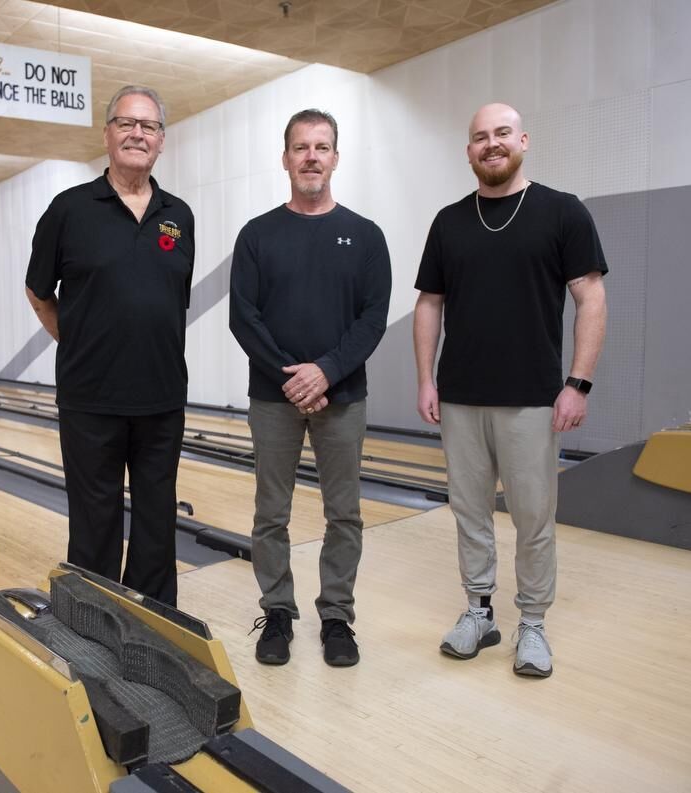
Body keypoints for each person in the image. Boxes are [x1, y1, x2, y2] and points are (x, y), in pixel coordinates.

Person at [413, 102, 607, 678]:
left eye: (501, 134)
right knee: (469, 512)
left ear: (523, 139)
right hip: (461, 396)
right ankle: (478, 612)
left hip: (532, 396)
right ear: (468, 150)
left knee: (533, 518)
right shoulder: (449, 221)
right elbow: (429, 303)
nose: (491, 144)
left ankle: (533, 624)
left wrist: (578, 383)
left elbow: (590, 297)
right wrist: (427, 379)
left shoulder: (562, 212)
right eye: (479, 137)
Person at [229, 109, 391, 667]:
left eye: (322, 147)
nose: (312, 157)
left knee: (343, 513)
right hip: (274, 398)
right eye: (301, 148)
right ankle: (277, 611)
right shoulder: (257, 234)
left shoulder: (367, 236)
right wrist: (294, 379)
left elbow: (372, 319)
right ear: (286, 159)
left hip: (342, 397)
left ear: (336, 158)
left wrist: (325, 372)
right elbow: (242, 318)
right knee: (270, 512)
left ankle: (337, 617)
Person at [24, 85, 194, 606]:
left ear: (162, 141)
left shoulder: (178, 215)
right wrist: (78, 342)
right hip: (90, 398)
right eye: (126, 123)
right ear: (107, 135)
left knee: (156, 521)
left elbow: (171, 301)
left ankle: (154, 623)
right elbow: (38, 289)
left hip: (162, 397)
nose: (137, 133)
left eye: (148, 126)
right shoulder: (69, 209)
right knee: (94, 521)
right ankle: (93, 626)